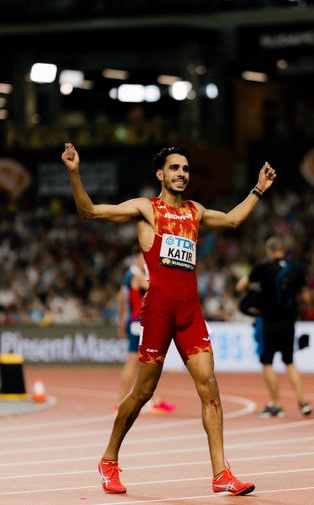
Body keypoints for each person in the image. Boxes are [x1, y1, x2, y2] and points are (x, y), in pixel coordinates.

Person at [61, 142, 276, 496]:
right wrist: (74, 173)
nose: (181, 174)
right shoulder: (146, 209)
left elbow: (235, 219)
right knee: (143, 391)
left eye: (186, 169)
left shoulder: (196, 211)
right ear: (160, 174)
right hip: (159, 311)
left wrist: (257, 189)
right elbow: (89, 212)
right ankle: (109, 459)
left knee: (211, 391)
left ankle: (221, 473)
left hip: (190, 312)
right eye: (175, 168)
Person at [236, 235, 312, 418]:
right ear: (283, 250)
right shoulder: (296, 268)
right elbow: (307, 297)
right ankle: (303, 402)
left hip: (269, 320)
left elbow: (240, 286)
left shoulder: (263, 267)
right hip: (289, 321)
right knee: (289, 361)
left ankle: (276, 405)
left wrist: (255, 294)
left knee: (267, 362)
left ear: (269, 251)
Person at [116, 252, 176, 414]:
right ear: (137, 259)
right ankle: (121, 402)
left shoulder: (129, 276)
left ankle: (155, 399)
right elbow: (153, 287)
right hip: (138, 323)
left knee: (148, 362)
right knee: (134, 362)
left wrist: (121, 320)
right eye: (145, 259)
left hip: (135, 322)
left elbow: (120, 297)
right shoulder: (136, 275)